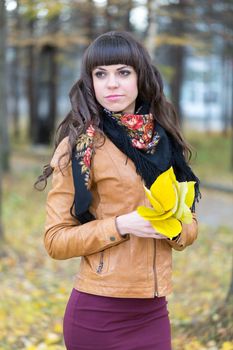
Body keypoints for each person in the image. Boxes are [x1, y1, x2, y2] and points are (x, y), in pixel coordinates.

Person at [36, 31, 200, 350]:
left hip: (154, 313)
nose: (112, 84)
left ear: (140, 78)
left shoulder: (164, 143)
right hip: (98, 315)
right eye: (101, 74)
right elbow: (55, 240)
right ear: (91, 81)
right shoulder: (82, 147)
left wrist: (175, 229)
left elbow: (190, 223)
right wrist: (121, 225)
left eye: (123, 72)